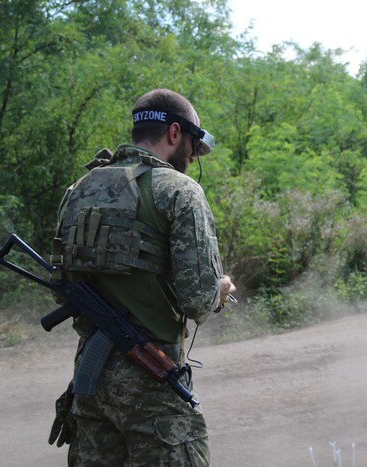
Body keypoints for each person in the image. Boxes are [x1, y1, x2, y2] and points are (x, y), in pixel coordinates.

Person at [48, 89, 235, 466]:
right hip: (150, 376)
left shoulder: (79, 189)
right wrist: (221, 288)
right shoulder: (180, 191)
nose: (193, 158)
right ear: (175, 134)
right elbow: (197, 300)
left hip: (89, 382)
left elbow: (60, 286)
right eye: (194, 147)